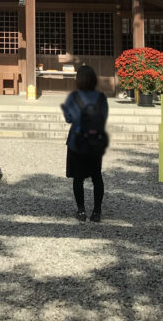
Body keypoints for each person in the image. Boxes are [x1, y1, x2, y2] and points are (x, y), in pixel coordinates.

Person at [61, 65, 109, 223]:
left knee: (78, 177)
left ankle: (81, 211)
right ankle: (97, 211)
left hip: (77, 141)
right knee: (97, 177)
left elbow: (69, 118)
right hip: (95, 142)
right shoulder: (101, 98)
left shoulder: (73, 97)